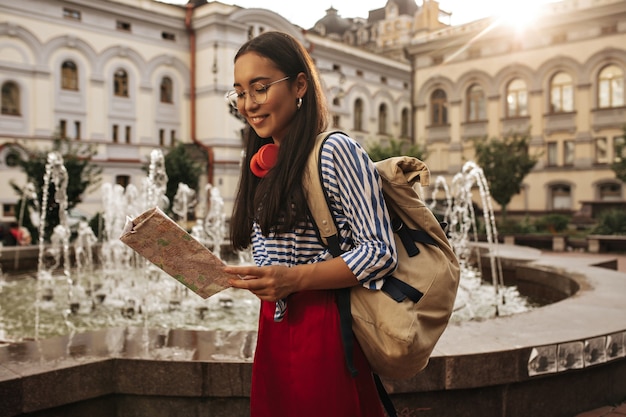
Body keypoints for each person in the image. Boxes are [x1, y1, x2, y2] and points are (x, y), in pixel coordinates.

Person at [222, 31, 398, 417]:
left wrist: (292, 279)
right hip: (276, 323)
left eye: (260, 88)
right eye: (239, 92)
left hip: (324, 326)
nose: (248, 104)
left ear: (300, 84)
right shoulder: (266, 158)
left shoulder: (335, 151)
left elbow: (380, 252)